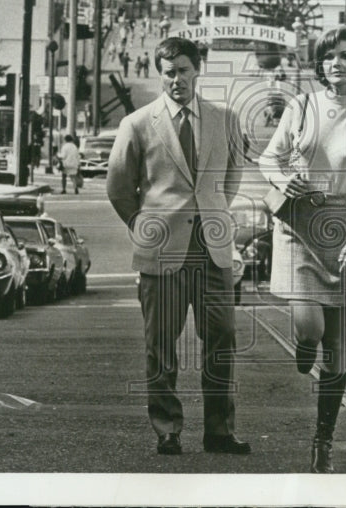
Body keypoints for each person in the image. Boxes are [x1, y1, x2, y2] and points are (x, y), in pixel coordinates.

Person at [106, 37, 248, 458]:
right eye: (168, 72)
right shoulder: (137, 123)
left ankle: (219, 432)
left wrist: (213, 210)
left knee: (221, 341)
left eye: (183, 70)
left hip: (213, 251)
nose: (176, 80)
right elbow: (118, 186)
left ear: (197, 69)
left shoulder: (225, 118)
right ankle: (167, 429)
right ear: (160, 74)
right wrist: (144, 225)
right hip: (161, 252)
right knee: (160, 345)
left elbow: (233, 176)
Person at [259, 25, 346, 473]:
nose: (337, 62)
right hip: (298, 222)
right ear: (320, 63)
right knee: (310, 327)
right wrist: (282, 179)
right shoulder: (301, 106)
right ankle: (302, 340)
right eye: (330, 55)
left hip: (343, 229)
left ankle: (323, 441)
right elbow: (267, 158)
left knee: (336, 347)